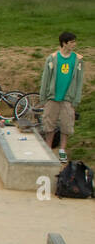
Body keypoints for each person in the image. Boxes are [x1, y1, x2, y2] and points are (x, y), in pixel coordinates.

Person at [39, 32, 83, 161]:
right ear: (64, 43)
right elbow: (45, 79)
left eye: (75, 42)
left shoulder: (78, 59)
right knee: (49, 123)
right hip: (53, 97)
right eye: (72, 42)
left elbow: (79, 81)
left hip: (68, 98)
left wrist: (76, 98)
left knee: (66, 124)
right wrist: (43, 97)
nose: (74, 44)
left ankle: (62, 150)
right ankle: (48, 147)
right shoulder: (52, 58)